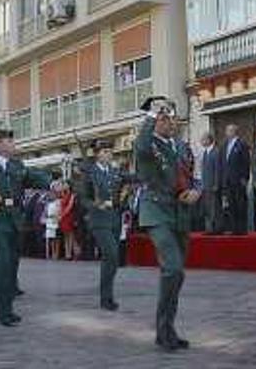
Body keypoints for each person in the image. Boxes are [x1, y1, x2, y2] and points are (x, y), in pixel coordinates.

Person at [135, 96, 200, 352]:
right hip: (156, 211)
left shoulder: (181, 146)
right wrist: (151, 115)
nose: (169, 121)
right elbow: (141, 146)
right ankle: (164, 330)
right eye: (163, 117)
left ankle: (166, 330)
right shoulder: (147, 144)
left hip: (180, 212)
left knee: (177, 274)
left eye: (171, 116)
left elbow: (192, 175)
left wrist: (196, 191)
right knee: (172, 268)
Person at [0, 128, 50, 327]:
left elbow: (33, 178)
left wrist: (52, 183)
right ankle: (3, 311)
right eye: (9, 142)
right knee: (2, 265)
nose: (13, 145)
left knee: (12, 265)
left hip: (15, 219)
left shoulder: (17, 165)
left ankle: (8, 306)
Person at [81, 139, 133, 311]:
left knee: (111, 259)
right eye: (104, 152)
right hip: (98, 220)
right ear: (96, 155)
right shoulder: (89, 173)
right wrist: (96, 204)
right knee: (111, 254)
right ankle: (106, 297)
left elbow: (132, 178)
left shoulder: (115, 171)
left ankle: (106, 297)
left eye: (110, 151)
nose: (108, 154)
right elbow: (84, 199)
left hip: (114, 219)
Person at [220, 124, 250, 234]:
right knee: (231, 205)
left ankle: (242, 229)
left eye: (228, 130)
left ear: (234, 132)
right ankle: (233, 228)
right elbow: (223, 164)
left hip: (238, 180)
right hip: (228, 181)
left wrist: (245, 178)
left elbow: (246, 162)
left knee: (240, 204)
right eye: (226, 130)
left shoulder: (241, 144)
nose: (226, 133)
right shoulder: (225, 145)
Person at [199, 133, 222, 234]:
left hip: (212, 185)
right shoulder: (205, 152)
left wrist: (216, 184)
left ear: (209, 140)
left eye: (203, 139)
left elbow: (218, 169)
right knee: (207, 208)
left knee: (214, 208)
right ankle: (209, 228)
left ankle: (217, 228)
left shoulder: (215, 152)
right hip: (205, 185)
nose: (201, 141)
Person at [43, 184, 61, 260]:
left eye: (53, 194)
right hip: (49, 221)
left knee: (56, 238)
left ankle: (56, 253)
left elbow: (59, 211)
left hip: (56, 221)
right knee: (50, 238)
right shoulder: (48, 203)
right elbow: (45, 212)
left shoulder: (58, 202)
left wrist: (57, 217)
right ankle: (51, 252)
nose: (51, 195)